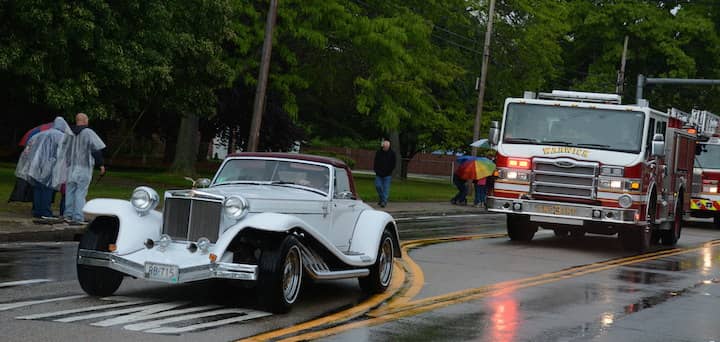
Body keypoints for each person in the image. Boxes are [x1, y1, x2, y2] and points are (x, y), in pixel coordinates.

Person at [14, 117, 74, 219]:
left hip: (36, 167)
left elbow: (29, 151)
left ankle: (38, 211)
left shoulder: (38, 135)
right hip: (50, 167)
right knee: (47, 189)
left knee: (38, 189)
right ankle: (45, 212)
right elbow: (64, 153)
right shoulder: (61, 136)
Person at [63, 113, 106, 225]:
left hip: (70, 167)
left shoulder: (69, 132)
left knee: (70, 191)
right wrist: (101, 164)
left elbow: (64, 149)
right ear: (85, 120)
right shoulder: (88, 132)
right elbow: (95, 148)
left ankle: (68, 215)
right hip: (83, 167)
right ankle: (78, 217)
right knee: (80, 192)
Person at [373, 139, 396, 208]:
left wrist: (389, 171)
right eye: (385, 147)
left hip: (387, 174)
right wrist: (376, 170)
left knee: (386, 189)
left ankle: (384, 202)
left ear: (389, 147)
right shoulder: (378, 152)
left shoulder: (392, 153)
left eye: (387, 147)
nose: (386, 148)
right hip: (378, 173)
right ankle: (382, 199)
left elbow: (393, 164)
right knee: (378, 186)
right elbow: (375, 162)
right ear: (383, 146)